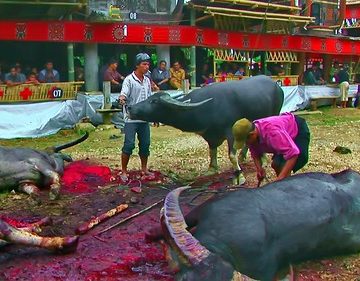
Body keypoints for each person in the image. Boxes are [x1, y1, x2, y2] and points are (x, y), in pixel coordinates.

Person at [232, 112, 310, 183]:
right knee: (275, 164)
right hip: (282, 136)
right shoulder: (252, 136)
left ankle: (286, 186)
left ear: (252, 134)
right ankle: (283, 184)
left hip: (297, 130)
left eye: (246, 141)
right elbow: (254, 153)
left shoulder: (272, 134)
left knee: (283, 166)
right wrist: (259, 169)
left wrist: (280, 179)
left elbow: (293, 154)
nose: (246, 144)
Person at [118, 53, 156, 179]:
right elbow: (123, 94)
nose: (146, 67)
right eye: (144, 64)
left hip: (144, 118)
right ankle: (123, 171)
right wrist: (122, 99)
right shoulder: (129, 80)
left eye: (148, 64)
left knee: (145, 145)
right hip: (131, 118)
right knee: (129, 145)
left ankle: (144, 169)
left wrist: (153, 116)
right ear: (137, 65)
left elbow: (149, 99)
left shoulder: (147, 80)